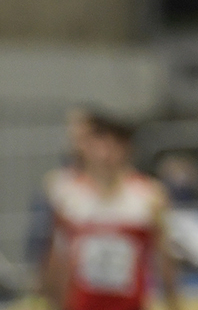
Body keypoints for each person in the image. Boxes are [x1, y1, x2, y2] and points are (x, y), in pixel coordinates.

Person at [42, 112, 181, 310]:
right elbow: (57, 259)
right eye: (100, 144)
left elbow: (164, 259)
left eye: (114, 145)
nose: (106, 154)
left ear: (126, 149)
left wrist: (174, 303)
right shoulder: (67, 195)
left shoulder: (148, 196)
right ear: (87, 148)